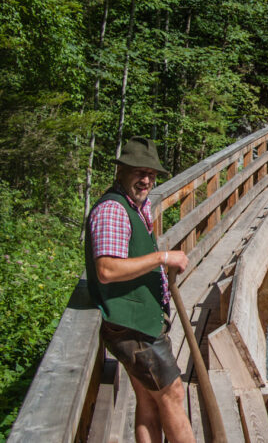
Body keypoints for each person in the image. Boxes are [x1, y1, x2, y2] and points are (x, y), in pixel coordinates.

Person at [84, 136, 194, 443]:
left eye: (151, 173)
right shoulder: (113, 211)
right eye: (137, 171)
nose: (145, 179)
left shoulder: (135, 205)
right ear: (121, 171)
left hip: (134, 321)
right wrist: (162, 257)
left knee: (148, 400)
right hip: (133, 327)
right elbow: (106, 269)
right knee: (171, 393)